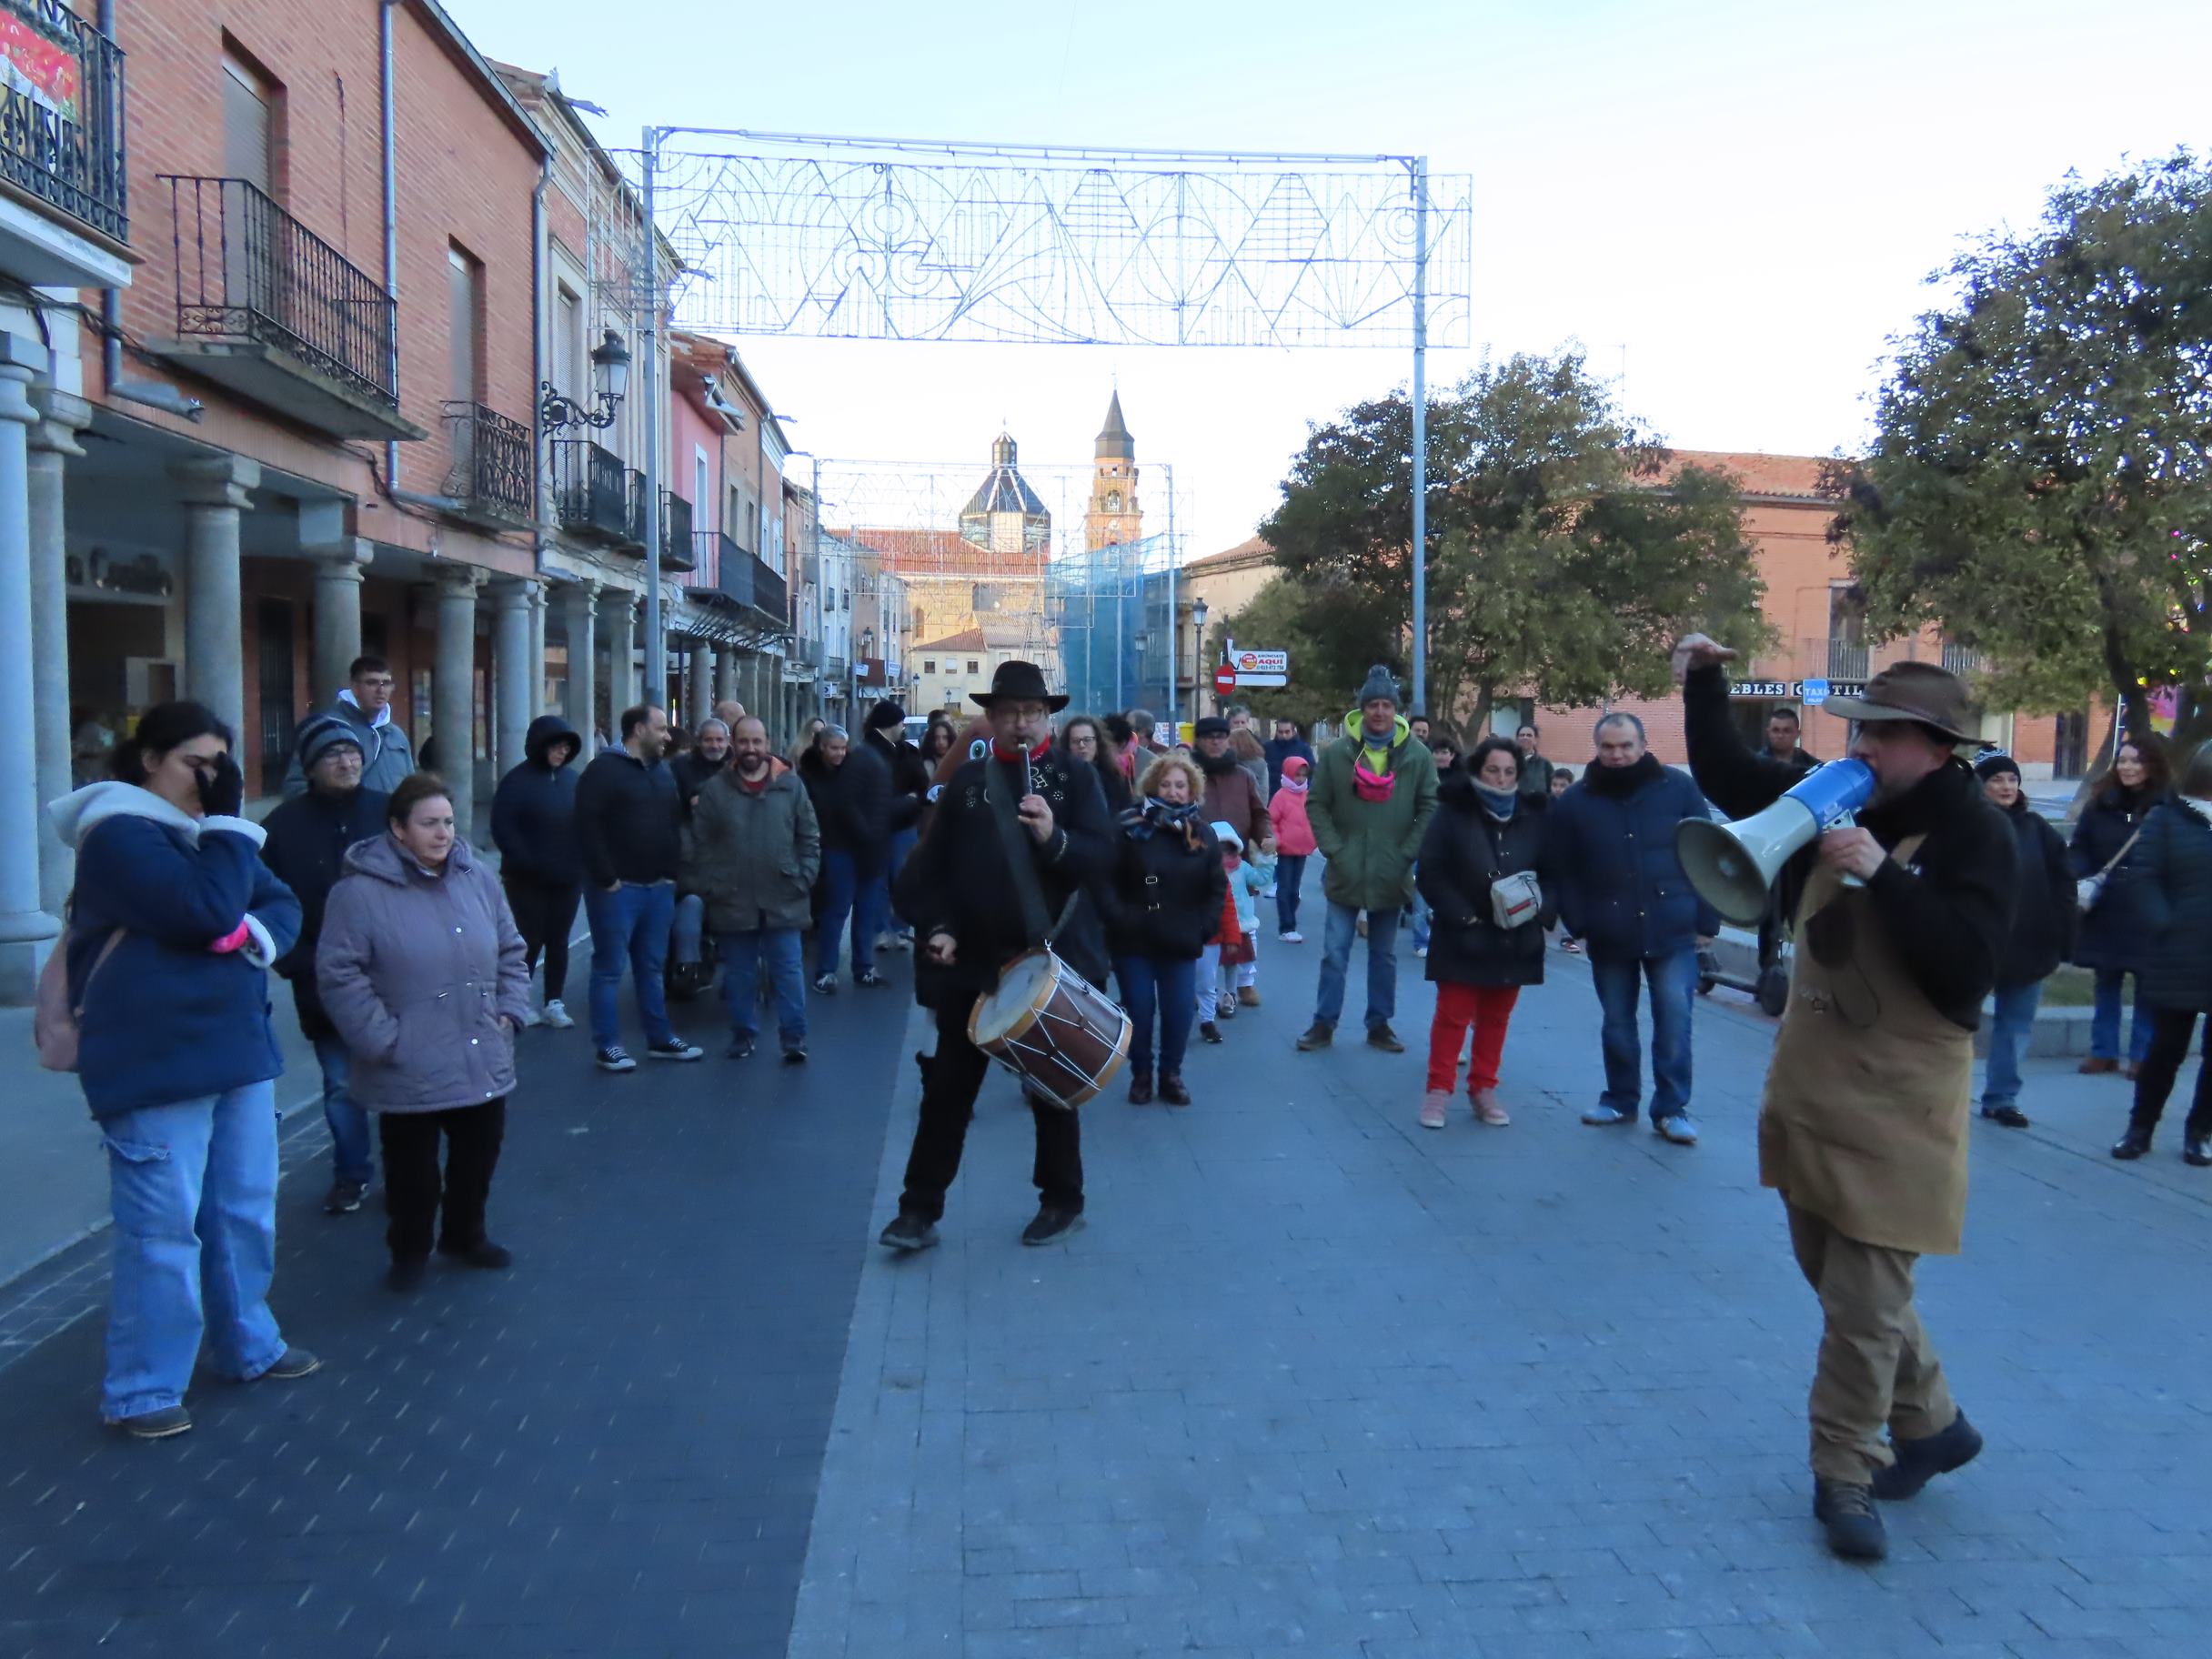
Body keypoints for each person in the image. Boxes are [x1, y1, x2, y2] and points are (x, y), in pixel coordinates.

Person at [1679, 634, 2014, 1562]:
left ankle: (1843, 1473)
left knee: (1862, 1307)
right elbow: (1733, 782)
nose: (1860, 747)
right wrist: (1704, 683)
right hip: (1814, 1088)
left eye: (1882, 736)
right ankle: (1933, 1423)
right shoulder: (1836, 787)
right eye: (1858, 730)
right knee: (1840, 1285)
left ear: (1936, 748)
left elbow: (1964, 970)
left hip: (1899, 1106)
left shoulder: (1976, 833)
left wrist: (1882, 872)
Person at [48, 702, 315, 1439]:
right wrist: (227, 874)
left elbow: (280, 902)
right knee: (163, 1231)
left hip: (234, 1050)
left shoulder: (210, 837)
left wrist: (246, 932)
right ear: (148, 761)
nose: (216, 779)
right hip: (154, 1063)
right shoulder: (119, 834)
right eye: (198, 763)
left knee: (242, 1212)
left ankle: (248, 1345)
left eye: (223, 764)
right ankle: (143, 1388)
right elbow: (202, 909)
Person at [878, 660, 1111, 1252]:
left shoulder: (1071, 779)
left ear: (1047, 719)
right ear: (992, 718)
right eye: (1009, 714)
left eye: (1032, 713)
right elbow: (931, 870)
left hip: (1042, 960)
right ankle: (918, 1212)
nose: (1021, 725)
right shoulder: (970, 783)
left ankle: (1062, 1201)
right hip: (974, 966)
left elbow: (1101, 859)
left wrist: (1052, 836)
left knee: (1050, 1089)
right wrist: (937, 925)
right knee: (948, 1093)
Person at [317, 774, 529, 1292]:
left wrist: (510, 1010)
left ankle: (465, 1234)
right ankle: (409, 1251)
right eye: (429, 823)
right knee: (412, 1169)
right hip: (407, 1055)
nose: (442, 834)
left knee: (478, 1153)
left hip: (479, 1042)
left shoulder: (476, 876)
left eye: (449, 822)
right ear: (397, 828)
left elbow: (510, 948)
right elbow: (339, 972)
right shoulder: (359, 893)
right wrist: (382, 1039)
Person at [1545, 711, 1717, 1145]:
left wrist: (1708, 920)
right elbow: (1562, 867)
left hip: (1674, 926)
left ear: (1643, 745)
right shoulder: (1577, 801)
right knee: (1618, 1022)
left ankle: (1671, 1109)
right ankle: (1620, 1099)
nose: (1617, 755)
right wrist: (1578, 922)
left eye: (1625, 746)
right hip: (1610, 929)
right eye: (1608, 747)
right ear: (1597, 749)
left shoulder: (1678, 788)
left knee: (1674, 1020)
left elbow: (1708, 853)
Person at [257, 716, 388, 1213]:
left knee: (403, 1081)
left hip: (391, 975)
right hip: (320, 980)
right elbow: (265, 905)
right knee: (340, 1085)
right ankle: (352, 1173)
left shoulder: (387, 813)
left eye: (352, 752)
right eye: (333, 754)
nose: (346, 761)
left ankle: (406, 1171)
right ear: (311, 767)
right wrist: (294, 962)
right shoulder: (282, 827)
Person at [1296, 665, 1440, 1054]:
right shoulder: (1339, 753)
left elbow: (1430, 806)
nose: (1379, 712)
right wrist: (1334, 849)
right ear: (1362, 710)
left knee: (1385, 955)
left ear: (1396, 710)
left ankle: (1380, 1024)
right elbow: (1317, 803)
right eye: (1373, 705)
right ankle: (1323, 1024)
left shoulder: (1417, 755)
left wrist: (1408, 852)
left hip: (1392, 871)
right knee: (1335, 952)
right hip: (1345, 869)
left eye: (1386, 705)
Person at [1417, 737, 1557, 1130]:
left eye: (1509, 771)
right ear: (1478, 770)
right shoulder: (1452, 812)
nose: (1501, 779)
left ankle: (1483, 1088)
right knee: (1453, 1014)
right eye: (1493, 770)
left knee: (1496, 1017)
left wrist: (1541, 910)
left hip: (1517, 932)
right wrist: (1464, 917)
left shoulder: (1535, 814)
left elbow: (1555, 870)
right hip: (1464, 931)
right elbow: (1431, 871)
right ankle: (1438, 1090)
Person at [574, 704, 703, 1072]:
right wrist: (606, 878)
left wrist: (671, 872)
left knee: (651, 967)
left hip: (659, 887)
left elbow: (673, 822)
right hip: (618, 890)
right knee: (610, 968)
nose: (667, 736)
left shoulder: (662, 771)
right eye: (661, 729)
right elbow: (587, 827)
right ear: (638, 730)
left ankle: (660, 1037)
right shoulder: (602, 771)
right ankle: (608, 1045)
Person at [683, 716, 819, 1062]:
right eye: (744, 742)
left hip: (784, 894)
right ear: (735, 744)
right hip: (733, 898)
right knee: (740, 975)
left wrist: (803, 877)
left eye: (757, 742)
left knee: (788, 972)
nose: (751, 749)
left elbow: (809, 836)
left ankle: (794, 1038)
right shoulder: (716, 789)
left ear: (767, 742)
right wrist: (712, 884)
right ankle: (743, 1035)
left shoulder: (791, 785)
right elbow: (700, 844)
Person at [1101, 751, 1224, 1107]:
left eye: (1180, 786)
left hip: (1182, 935)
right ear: (1152, 786)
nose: (1173, 792)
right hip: (1134, 937)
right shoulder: (1128, 827)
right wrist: (1119, 917)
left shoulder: (1201, 834)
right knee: (1139, 1009)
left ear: (1192, 791)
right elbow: (1106, 880)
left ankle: (1172, 1074)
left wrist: (1206, 925)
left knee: (1179, 1010)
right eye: (1166, 784)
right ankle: (1141, 1073)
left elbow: (1217, 887)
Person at [2110, 745, 2212, 1166]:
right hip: (2180, 950)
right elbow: (2145, 877)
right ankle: (2140, 1128)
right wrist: (2165, 923)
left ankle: (2199, 1132)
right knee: (2166, 1048)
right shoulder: (2169, 818)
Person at [1973, 752, 2076, 1130]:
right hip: (1975, 945)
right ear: (1980, 786)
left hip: (2030, 944)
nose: (2006, 787)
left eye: (2011, 780)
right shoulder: (1964, 826)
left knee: (2015, 1026)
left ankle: (2002, 1099)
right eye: (1996, 780)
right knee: (1952, 1026)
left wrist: (2064, 934)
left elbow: (2064, 881)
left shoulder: (2036, 828)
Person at [2069, 735, 2170, 1078]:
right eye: (2123, 760)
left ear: (2152, 766)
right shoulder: (2101, 803)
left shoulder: (2166, 809)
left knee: (2147, 985)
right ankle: (2103, 1051)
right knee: (2106, 979)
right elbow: (2080, 846)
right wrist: (2082, 874)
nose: (2128, 767)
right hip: (2107, 904)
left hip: (2147, 904)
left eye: (2136, 761)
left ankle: (2142, 1055)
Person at [490, 713, 584, 1030]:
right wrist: (527, 861)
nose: (560, 753)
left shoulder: (573, 780)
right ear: (540, 746)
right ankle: (519, 999)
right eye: (555, 747)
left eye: (565, 748)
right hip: (527, 880)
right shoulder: (516, 781)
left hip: (568, 877)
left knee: (559, 940)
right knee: (527, 941)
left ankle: (554, 1001)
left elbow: (587, 820)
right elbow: (503, 828)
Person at [799, 724, 894, 991]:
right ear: (822, 748)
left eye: (843, 748)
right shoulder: (810, 775)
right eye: (834, 748)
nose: (840, 753)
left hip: (864, 847)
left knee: (866, 908)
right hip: (836, 846)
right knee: (837, 909)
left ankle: (863, 966)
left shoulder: (856, 769)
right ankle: (826, 970)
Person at [1752, 707, 1823, 987]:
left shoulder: (1812, 769)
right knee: (1769, 918)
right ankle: (1767, 977)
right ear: (1768, 732)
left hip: (1801, 854)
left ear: (1797, 733)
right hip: (1767, 850)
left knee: (1803, 915)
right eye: (1775, 730)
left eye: (1786, 730)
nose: (1780, 735)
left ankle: (1808, 979)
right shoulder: (1755, 765)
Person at [281, 655, 415, 798]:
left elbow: (411, 786)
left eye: (386, 683)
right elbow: (296, 787)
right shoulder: (326, 728)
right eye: (372, 683)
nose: (381, 690)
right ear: (355, 687)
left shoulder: (396, 734)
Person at [865, 700, 931, 950]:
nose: (904, 726)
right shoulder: (869, 752)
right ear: (890, 724)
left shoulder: (908, 753)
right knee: (879, 882)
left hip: (904, 827)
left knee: (903, 880)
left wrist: (912, 801)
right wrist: (905, 800)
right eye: (901, 722)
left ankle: (901, 929)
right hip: (878, 828)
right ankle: (881, 929)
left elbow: (922, 785)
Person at [1192, 717, 1272, 856]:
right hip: (1197, 858)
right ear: (1198, 741)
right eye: (1209, 737)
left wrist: (1266, 836)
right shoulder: (1186, 775)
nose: (1216, 741)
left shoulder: (1244, 776)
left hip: (1239, 860)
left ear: (1228, 740)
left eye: (1221, 737)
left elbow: (1259, 814)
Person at [1269, 753, 1318, 942]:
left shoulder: (1308, 796)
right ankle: (1287, 926)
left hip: (1302, 849)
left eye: (1304, 775)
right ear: (1288, 774)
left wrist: (1313, 840)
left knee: (1295, 889)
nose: (1300, 779)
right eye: (1297, 775)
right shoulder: (1281, 797)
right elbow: (1272, 821)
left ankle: (1290, 922)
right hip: (1285, 850)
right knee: (1285, 887)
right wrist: (1278, 840)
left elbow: (1313, 819)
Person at [1263, 717, 1315, 799]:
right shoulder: (1267, 748)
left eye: (1287, 732)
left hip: (1297, 798)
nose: (1284, 735)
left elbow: (1311, 772)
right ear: (1277, 732)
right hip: (1272, 796)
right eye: (1281, 732)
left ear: (1293, 731)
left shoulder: (1303, 748)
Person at [1513, 724, 1555, 803]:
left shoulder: (1545, 764)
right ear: (1517, 739)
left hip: (1537, 811)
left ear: (1535, 740)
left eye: (1529, 735)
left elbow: (1552, 790)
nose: (1525, 737)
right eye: (1522, 735)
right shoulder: (1509, 762)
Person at [1229, 725, 1271, 801]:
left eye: (1231, 743)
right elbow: (1264, 792)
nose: (1227, 746)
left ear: (1241, 744)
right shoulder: (1261, 764)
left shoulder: (1235, 764)